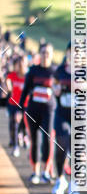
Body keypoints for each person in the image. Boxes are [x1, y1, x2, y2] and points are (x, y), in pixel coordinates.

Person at [20, 42, 56, 184]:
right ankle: (35, 172)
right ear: (39, 55)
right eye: (43, 52)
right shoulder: (33, 70)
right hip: (33, 110)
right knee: (34, 141)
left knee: (47, 140)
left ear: (52, 55)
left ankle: (46, 172)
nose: (45, 55)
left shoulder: (55, 71)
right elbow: (25, 91)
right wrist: (20, 108)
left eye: (48, 53)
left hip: (49, 110)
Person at [51, 43, 76, 194]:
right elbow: (53, 86)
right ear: (67, 52)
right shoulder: (59, 71)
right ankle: (60, 179)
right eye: (72, 51)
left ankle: (74, 181)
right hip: (62, 113)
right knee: (62, 143)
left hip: (79, 115)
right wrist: (56, 90)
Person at [6, 54, 27, 157]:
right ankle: (15, 146)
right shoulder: (12, 75)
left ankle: (24, 137)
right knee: (13, 124)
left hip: (24, 105)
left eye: (22, 64)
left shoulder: (28, 77)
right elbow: (8, 81)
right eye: (18, 64)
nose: (20, 66)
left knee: (23, 125)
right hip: (13, 103)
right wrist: (8, 86)